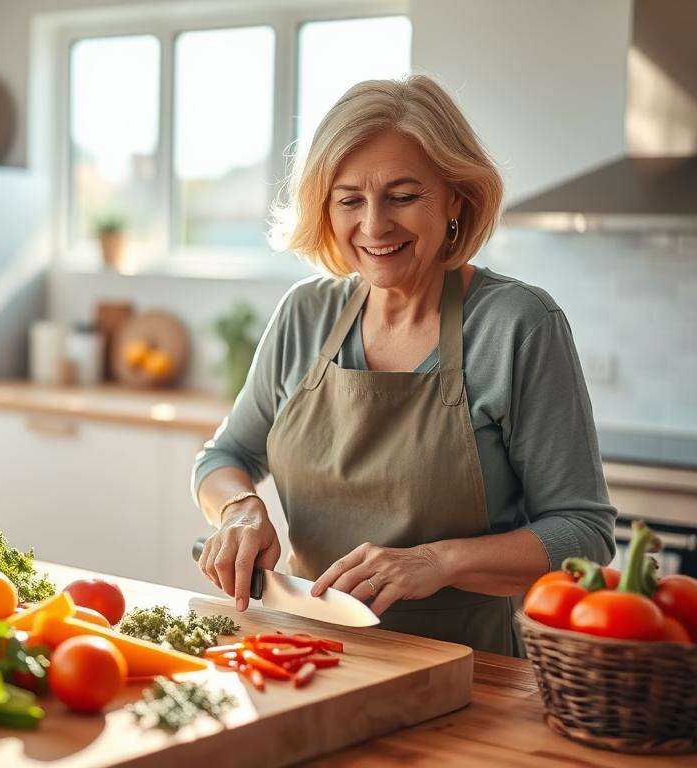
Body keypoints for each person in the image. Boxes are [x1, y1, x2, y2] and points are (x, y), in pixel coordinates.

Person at [191, 75, 616, 656]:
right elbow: (225, 457)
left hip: (472, 672)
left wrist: (439, 561)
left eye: (403, 195)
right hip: (310, 652)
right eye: (349, 199)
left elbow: (582, 534)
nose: (373, 225)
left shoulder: (519, 323)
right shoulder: (305, 313)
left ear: (456, 199)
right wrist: (239, 509)